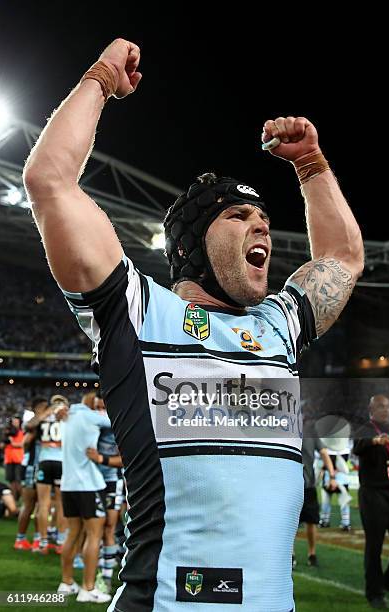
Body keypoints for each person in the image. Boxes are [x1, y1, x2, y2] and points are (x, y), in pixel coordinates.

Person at [23, 38, 364, 612]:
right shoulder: (139, 312)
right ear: (191, 243)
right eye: (239, 216)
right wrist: (101, 78)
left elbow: (343, 259)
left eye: (265, 219)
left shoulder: (278, 324)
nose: (262, 229)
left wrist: (312, 164)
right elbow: (49, 181)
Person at [354, 395, 389, 609]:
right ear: (371, 408)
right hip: (372, 494)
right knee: (374, 546)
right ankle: (374, 593)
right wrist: (374, 441)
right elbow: (357, 447)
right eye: (379, 406)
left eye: (387, 406)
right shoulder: (364, 429)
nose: (384, 410)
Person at [57, 393, 111, 604]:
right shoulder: (91, 416)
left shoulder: (68, 416)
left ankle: (67, 583)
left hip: (68, 485)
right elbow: (117, 418)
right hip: (89, 484)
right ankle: (88, 589)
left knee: (73, 533)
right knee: (94, 535)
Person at [86, 391, 123, 593]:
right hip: (90, 482)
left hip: (110, 481)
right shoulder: (88, 427)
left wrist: (102, 459)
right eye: (97, 408)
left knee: (109, 527)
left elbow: (125, 459)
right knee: (93, 530)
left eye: (103, 408)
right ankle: (95, 570)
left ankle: (106, 578)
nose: (100, 412)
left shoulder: (120, 426)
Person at [25, 395, 68, 554]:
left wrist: (45, 413)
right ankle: (61, 542)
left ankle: (43, 543)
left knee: (43, 504)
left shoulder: (44, 418)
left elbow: (29, 426)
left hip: (44, 461)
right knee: (61, 504)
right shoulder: (68, 417)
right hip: (62, 463)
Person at [297, 418, 337, 567]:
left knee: (312, 521)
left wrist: (332, 476)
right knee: (291, 523)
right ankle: (291, 555)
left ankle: (312, 553)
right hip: (290, 485)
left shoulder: (310, 433)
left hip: (308, 485)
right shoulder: (284, 433)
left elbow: (324, 453)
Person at [14, 396, 48, 551]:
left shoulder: (45, 423)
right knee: (29, 504)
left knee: (42, 505)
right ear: (37, 408)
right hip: (32, 466)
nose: (47, 410)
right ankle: (20, 539)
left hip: (42, 467)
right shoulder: (33, 423)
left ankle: (36, 539)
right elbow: (25, 443)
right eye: (44, 407)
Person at [3, 415, 24, 501]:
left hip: (18, 459)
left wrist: (12, 442)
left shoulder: (22, 432)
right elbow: (3, 444)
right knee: (11, 481)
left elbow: (21, 444)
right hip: (9, 459)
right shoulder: (8, 432)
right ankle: (14, 499)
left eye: (16, 421)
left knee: (18, 482)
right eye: (13, 421)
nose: (15, 423)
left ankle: (25, 499)